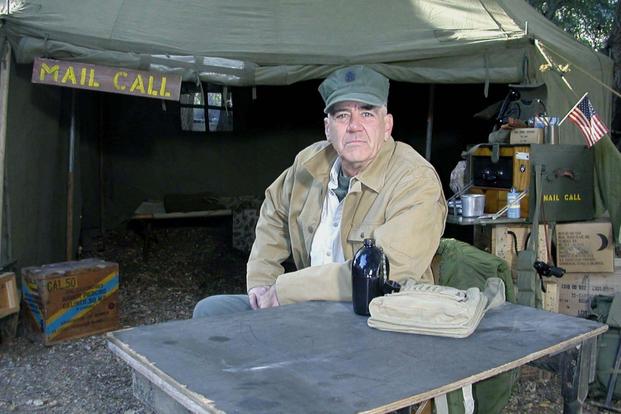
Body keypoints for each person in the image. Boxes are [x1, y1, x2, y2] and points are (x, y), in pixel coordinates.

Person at [193, 65, 447, 318]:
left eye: (367, 114)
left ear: (387, 125)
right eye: (342, 115)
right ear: (328, 128)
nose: (354, 126)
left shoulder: (414, 180)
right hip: (309, 306)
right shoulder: (309, 164)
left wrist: (287, 289)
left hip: (378, 314)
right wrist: (263, 278)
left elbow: (384, 270)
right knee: (210, 311)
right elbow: (275, 213)